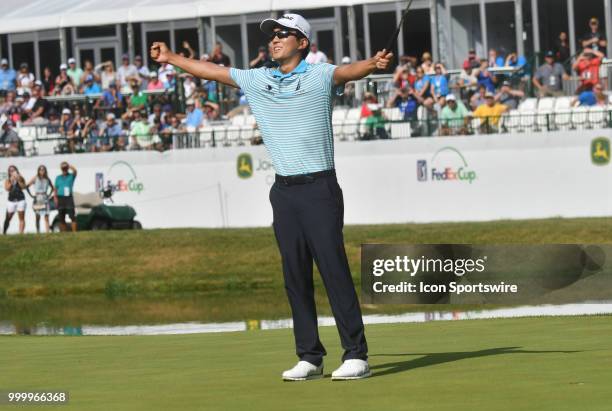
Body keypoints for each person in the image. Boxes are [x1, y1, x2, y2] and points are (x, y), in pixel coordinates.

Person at [150, 12, 392, 381]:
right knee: (294, 276)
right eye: (272, 35)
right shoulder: (258, 78)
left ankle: (356, 354)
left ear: (303, 43)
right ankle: (310, 356)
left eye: (284, 34)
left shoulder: (320, 73)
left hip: (319, 188)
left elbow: (350, 71)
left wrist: (373, 64)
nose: (274, 40)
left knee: (333, 271)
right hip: (284, 191)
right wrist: (171, 58)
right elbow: (210, 71)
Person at [27, 165, 54, 233]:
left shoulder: (47, 179)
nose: (42, 171)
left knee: (46, 216)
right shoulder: (35, 178)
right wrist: (31, 195)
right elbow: (27, 186)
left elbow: (53, 188)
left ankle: (47, 231)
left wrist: (49, 195)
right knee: (37, 216)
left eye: (43, 169)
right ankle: (38, 231)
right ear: (38, 171)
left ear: (45, 171)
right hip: (38, 198)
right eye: (40, 170)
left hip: (45, 197)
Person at [53, 162, 77, 232]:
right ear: (61, 169)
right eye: (63, 168)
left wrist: (69, 166)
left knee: (72, 216)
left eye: (65, 168)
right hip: (60, 198)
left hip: (68, 198)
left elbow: (75, 171)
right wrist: (55, 198)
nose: (64, 170)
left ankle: (74, 233)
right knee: (61, 217)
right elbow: (55, 188)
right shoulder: (58, 177)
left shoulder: (71, 176)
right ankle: (64, 233)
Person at [3, 165, 26, 234]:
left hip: (20, 199)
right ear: (9, 172)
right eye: (10, 171)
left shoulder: (21, 178)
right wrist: (11, 181)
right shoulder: (8, 180)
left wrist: (19, 179)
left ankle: (20, 234)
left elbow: (23, 187)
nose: (12, 172)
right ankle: (4, 232)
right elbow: (7, 188)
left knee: (21, 217)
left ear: (16, 171)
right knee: (8, 217)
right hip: (11, 200)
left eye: (13, 170)